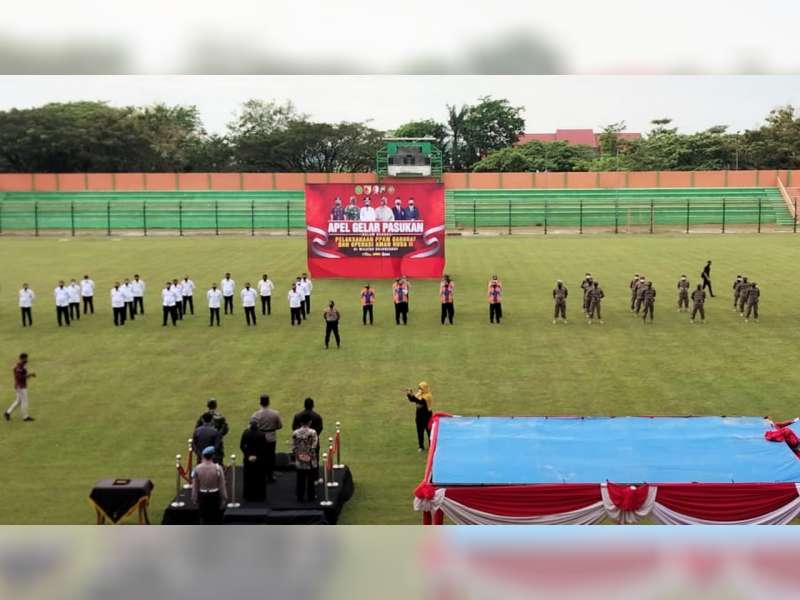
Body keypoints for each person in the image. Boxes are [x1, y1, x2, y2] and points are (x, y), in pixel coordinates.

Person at [191, 446, 227, 524]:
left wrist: (194, 497)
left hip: (202, 496)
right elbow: (222, 484)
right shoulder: (218, 468)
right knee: (215, 518)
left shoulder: (197, 468)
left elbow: (195, 485)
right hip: (214, 496)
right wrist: (224, 497)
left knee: (203, 518)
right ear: (213, 456)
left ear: (203, 456)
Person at [252, 395, 282, 483]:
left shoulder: (256, 414)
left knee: (260, 456)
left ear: (260, 402)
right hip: (271, 437)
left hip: (259, 438)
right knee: (271, 457)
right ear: (268, 402)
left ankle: (261, 475)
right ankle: (270, 476)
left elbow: (252, 427)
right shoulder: (275, 413)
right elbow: (280, 426)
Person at [293, 397, 324, 482]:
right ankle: (315, 478)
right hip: (313, 442)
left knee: (301, 458)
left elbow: (294, 428)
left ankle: (302, 477)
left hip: (300, 443)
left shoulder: (297, 416)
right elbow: (320, 429)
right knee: (314, 459)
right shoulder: (317, 416)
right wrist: (312, 437)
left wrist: (301, 435)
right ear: (313, 405)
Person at [239, 419, 268, 502]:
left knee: (248, 477)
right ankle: (260, 495)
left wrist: (248, 455)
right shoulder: (262, 434)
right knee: (259, 477)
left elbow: (242, 446)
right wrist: (257, 456)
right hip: (259, 460)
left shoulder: (245, 433)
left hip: (248, 459)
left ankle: (248, 495)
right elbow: (264, 448)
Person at [292, 416, 319, 502]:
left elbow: (294, 447)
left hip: (299, 459)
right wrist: (309, 456)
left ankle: (300, 497)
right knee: (311, 480)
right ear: (310, 422)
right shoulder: (313, 432)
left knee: (300, 479)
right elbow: (314, 446)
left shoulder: (295, 433)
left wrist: (299, 456)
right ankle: (311, 497)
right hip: (310, 460)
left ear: (300, 423)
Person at [196, 398, 229, 464]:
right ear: (215, 405)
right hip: (216, 446)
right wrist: (219, 435)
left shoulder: (203, 416)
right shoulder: (220, 417)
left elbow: (197, 430)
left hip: (203, 445)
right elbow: (225, 429)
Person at [4, 352, 35, 422]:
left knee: (18, 401)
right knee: (25, 401)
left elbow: (23, 375)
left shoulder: (22, 365)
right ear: (22, 358)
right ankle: (25, 417)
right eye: (26, 358)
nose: (27, 359)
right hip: (20, 386)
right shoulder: (19, 366)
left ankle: (7, 413)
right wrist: (29, 375)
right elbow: (20, 377)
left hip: (20, 385)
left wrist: (29, 375)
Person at [406, 382, 433, 451]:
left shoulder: (428, 396)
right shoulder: (419, 394)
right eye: (419, 388)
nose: (419, 389)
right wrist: (409, 394)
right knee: (420, 432)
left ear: (425, 388)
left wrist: (412, 395)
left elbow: (420, 401)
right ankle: (421, 446)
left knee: (429, 432)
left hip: (427, 417)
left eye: (421, 388)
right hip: (419, 417)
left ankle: (431, 446)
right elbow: (412, 400)